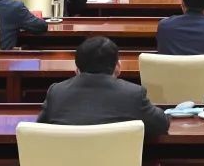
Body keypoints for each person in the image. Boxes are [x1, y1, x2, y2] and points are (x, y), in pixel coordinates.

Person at [37, 36, 169, 138]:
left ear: (77, 69)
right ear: (118, 67)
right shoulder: (133, 94)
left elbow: (39, 131)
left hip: (66, 165)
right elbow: (162, 125)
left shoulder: (56, 92)